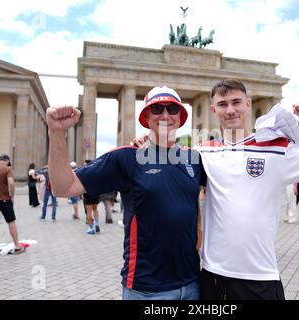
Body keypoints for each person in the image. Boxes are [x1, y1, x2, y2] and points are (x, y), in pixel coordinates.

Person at [46, 86, 206, 300]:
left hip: (192, 284)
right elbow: (63, 187)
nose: (165, 115)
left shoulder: (194, 160)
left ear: (181, 117)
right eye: (157, 108)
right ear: (146, 117)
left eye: (172, 109)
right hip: (147, 289)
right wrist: (57, 133)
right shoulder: (126, 157)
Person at [197, 79, 299, 300]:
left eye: (236, 102)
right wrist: (143, 143)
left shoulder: (277, 148)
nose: (230, 110)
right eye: (223, 104)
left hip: (260, 276)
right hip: (213, 275)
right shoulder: (203, 152)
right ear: (213, 109)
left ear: (248, 104)